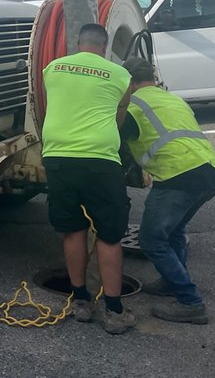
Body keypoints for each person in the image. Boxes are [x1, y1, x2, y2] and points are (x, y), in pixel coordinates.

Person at [41, 23, 134, 334]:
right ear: (105, 48)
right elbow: (119, 117)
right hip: (100, 159)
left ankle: (81, 302)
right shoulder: (120, 76)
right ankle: (114, 310)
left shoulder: (52, 68)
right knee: (109, 235)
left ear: (77, 43)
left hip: (58, 157)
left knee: (72, 230)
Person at [120, 57, 215, 325]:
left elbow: (116, 138)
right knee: (175, 230)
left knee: (152, 240)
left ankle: (191, 302)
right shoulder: (173, 99)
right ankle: (171, 280)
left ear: (129, 82)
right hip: (208, 169)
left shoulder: (133, 106)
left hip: (178, 175)